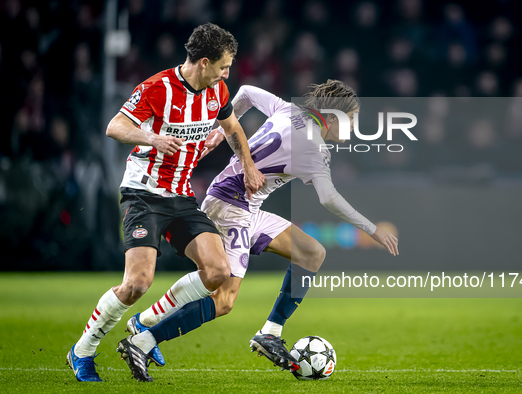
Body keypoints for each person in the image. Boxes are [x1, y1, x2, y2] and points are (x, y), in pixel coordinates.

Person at [123, 80, 399, 377]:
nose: (354, 127)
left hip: (244, 206)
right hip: (231, 208)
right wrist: (372, 229)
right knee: (224, 300)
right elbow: (328, 198)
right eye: (351, 120)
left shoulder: (288, 110)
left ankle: (269, 332)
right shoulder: (315, 149)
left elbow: (246, 93)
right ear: (332, 119)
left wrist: (220, 130)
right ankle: (143, 339)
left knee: (311, 252)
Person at [66, 23, 265, 382]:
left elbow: (233, 129)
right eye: (223, 65)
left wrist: (249, 167)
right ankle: (83, 349)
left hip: (181, 196)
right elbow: (115, 127)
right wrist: (152, 138)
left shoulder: (217, 91)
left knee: (218, 271)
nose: (227, 73)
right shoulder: (157, 88)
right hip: (143, 195)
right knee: (137, 283)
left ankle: (145, 323)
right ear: (203, 62)